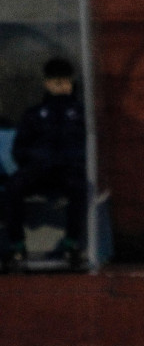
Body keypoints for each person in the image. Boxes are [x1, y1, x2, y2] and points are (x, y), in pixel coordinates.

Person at [2, 57, 87, 272]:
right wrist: (36, 160)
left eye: (64, 80)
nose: (60, 85)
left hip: (67, 170)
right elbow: (19, 149)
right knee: (13, 187)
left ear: (70, 82)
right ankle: (17, 245)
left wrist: (70, 161)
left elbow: (86, 144)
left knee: (79, 187)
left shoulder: (80, 113)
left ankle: (71, 244)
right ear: (47, 83)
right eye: (55, 81)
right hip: (38, 170)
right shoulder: (34, 114)